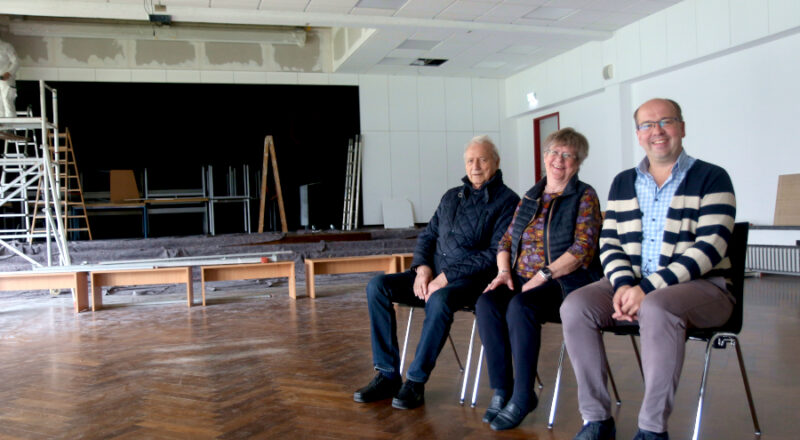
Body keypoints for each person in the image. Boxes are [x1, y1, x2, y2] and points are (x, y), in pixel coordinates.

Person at [560, 98, 736, 440]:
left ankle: (652, 430)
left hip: (704, 287)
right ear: (638, 134)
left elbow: (710, 247)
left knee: (656, 306)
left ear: (682, 127)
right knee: (575, 306)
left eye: (666, 121)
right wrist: (625, 285)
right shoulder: (623, 182)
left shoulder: (712, 177)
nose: (657, 131)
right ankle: (596, 420)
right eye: (647, 125)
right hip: (635, 284)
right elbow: (609, 242)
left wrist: (647, 289)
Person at [353, 135, 519, 410]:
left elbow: (494, 252)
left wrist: (445, 277)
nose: (475, 166)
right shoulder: (451, 196)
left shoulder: (508, 201)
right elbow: (428, 236)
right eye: (470, 160)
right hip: (433, 277)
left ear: (496, 162)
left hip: (471, 282)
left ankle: (415, 382)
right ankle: (387, 375)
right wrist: (422, 269)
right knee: (377, 286)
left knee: (440, 299)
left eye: (482, 159)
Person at [476, 127, 603, 431]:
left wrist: (545, 273)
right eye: (554, 152)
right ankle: (502, 389)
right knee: (487, 303)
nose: (559, 160)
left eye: (568, 155)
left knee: (521, 306)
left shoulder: (584, 195)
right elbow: (506, 240)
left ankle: (523, 395)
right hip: (521, 277)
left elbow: (583, 248)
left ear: (578, 163)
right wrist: (503, 272)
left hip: (565, 281)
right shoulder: (531, 197)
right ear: (545, 156)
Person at [0, 38, 19, 118]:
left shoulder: (6, 46)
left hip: (6, 81)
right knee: (0, 107)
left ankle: (11, 125)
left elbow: (16, 62)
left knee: (7, 102)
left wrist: (9, 73)